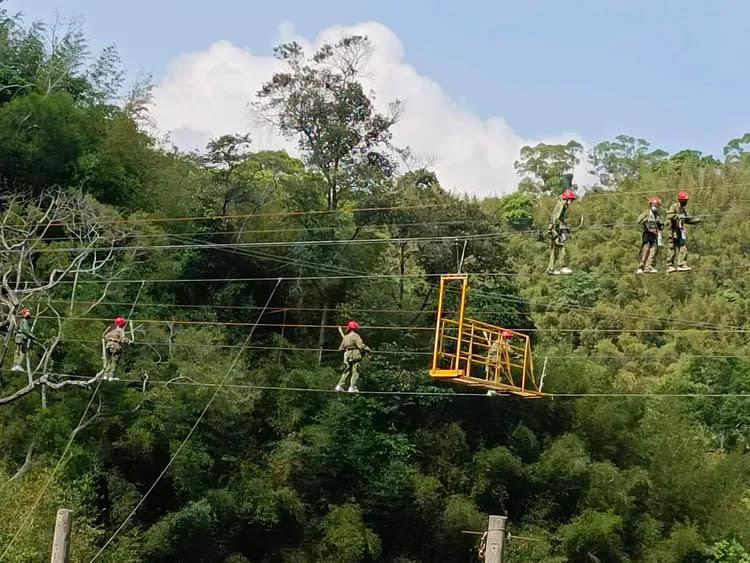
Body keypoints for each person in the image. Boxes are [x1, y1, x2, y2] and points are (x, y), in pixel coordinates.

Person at [666, 191, 701, 273]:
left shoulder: (682, 210)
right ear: (681, 200)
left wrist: (696, 221)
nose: (686, 202)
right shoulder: (674, 206)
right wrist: (678, 216)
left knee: (683, 248)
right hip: (673, 231)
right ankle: (670, 265)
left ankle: (681, 264)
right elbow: (669, 216)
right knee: (672, 248)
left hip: (680, 232)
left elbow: (687, 219)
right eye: (685, 201)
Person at [335, 320, 372, 393]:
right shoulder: (355, 336)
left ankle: (340, 385)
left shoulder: (345, 336)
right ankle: (352, 387)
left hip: (347, 355)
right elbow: (361, 346)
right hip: (355, 355)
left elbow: (341, 348)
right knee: (356, 371)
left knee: (347, 370)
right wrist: (368, 349)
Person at [547, 188, 577, 275]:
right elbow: (556, 219)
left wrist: (565, 227)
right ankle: (563, 266)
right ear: (566, 199)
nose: (571, 202)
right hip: (557, 231)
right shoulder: (561, 205)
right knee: (562, 247)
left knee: (554, 250)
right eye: (570, 200)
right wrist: (563, 227)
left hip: (555, 230)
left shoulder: (561, 205)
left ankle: (551, 269)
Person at [636, 197, 664, 274]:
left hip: (654, 235)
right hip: (647, 234)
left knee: (653, 250)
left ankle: (649, 267)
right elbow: (638, 220)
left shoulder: (658, 215)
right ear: (651, 205)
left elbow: (660, 225)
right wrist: (645, 221)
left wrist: (661, 225)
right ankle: (641, 267)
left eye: (657, 205)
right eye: (654, 205)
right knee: (646, 249)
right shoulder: (646, 212)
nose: (655, 207)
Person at [102, 316, 129, 380]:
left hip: (108, 346)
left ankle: (105, 375)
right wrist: (127, 341)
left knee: (108, 361)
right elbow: (122, 339)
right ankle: (110, 376)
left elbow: (105, 337)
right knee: (114, 361)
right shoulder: (121, 330)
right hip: (115, 347)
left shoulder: (111, 330)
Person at [11, 307, 33, 372]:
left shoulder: (19, 321)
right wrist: (32, 336)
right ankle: (18, 364)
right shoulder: (24, 321)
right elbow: (25, 330)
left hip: (18, 337)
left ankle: (14, 364)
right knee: (22, 352)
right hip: (22, 338)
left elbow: (15, 329)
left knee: (17, 350)